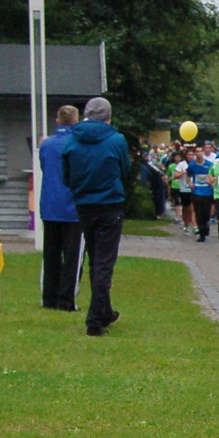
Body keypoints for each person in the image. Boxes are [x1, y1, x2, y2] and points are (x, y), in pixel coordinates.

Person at [60, 97, 131, 336]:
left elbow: (66, 175)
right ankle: (95, 319)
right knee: (104, 263)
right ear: (108, 117)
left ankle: (105, 311)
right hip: (110, 204)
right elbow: (125, 170)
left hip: (84, 205)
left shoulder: (71, 140)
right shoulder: (116, 140)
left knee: (95, 259)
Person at [37, 104, 83, 312]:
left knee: (51, 254)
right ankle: (66, 300)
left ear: (57, 121)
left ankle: (49, 297)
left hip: (50, 204)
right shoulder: (77, 144)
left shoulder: (46, 144)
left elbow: (44, 167)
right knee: (72, 257)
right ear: (76, 121)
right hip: (72, 207)